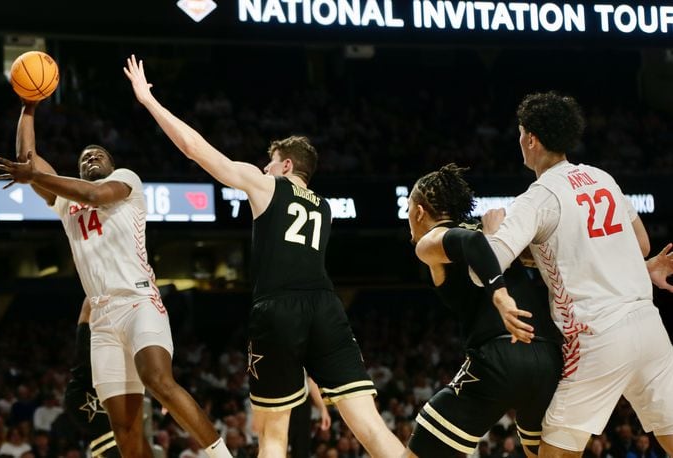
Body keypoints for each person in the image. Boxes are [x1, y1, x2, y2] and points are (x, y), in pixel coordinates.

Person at [123, 55, 404, 457]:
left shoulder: (268, 186)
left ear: (286, 164)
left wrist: (150, 102)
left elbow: (195, 149)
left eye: (269, 162)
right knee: (371, 426)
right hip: (327, 305)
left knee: (273, 433)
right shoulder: (324, 207)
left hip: (278, 306)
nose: (262, 167)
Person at [0, 99, 232, 458]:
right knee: (124, 428)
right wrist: (28, 106)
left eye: (98, 154)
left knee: (158, 380)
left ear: (111, 164)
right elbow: (29, 160)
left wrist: (36, 176)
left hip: (138, 302)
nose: (91, 158)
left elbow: (92, 194)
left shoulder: (126, 181)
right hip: (101, 319)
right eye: (85, 156)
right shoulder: (63, 200)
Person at [481, 92, 673, 458]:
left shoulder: (536, 199)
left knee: (554, 451)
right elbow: (642, 243)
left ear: (531, 139)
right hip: (649, 327)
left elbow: (489, 265)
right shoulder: (602, 178)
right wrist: (637, 267)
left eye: (521, 132)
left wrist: (491, 231)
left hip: (598, 336)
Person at [404, 163, 563, 458]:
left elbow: (472, 241)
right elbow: (559, 259)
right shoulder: (501, 236)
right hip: (548, 358)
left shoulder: (430, 242)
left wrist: (500, 295)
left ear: (419, 212)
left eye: (408, 210)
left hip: (500, 355)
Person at [62, 298, 119, 458]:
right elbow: (85, 312)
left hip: (106, 393)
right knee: (114, 443)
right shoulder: (87, 353)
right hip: (83, 394)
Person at [287, 378, 331, 458]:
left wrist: (323, 409)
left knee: (301, 449)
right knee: (277, 445)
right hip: (280, 401)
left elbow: (311, 381)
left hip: (302, 402)